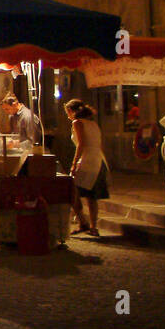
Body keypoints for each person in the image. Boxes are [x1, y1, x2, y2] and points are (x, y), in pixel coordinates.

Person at [65, 99, 107, 237]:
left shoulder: (77, 123)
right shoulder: (93, 124)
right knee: (91, 196)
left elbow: (81, 144)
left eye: (68, 112)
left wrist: (74, 163)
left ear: (72, 111)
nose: (68, 116)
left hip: (87, 161)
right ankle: (93, 227)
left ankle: (83, 221)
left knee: (72, 192)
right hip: (98, 160)